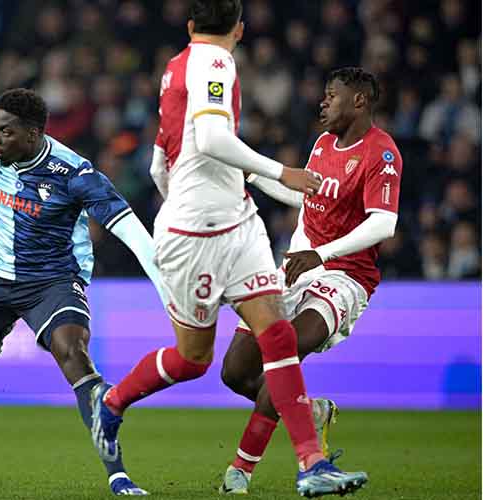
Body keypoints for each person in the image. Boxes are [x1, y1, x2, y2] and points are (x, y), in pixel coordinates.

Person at [89, 2, 368, 497]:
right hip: (200, 234)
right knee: (193, 359)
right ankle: (111, 403)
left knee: (277, 336)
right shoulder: (217, 61)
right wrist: (283, 173)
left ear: (190, 25)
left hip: (232, 225)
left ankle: (312, 464)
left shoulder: (174, 68)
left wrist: (187, 205)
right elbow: (215, 138)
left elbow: (158, 164)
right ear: (239, 28)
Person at [0, 88, 165, 496]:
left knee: (72, 353)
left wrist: (167, 285)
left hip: (52, 280)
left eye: (6, 132)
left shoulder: (75, 174)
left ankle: (118, 476)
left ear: (33, 134)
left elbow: (130, 230)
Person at [218, 66, 402, 494]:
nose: (323, 102)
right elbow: (305, 196)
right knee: (235, 372)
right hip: (296, 270)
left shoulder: (382, 153)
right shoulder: (322, 144)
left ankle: (241, 470)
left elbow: (384, 223)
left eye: (331, 95)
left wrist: (322, 253)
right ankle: (311, 411)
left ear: (358, 101)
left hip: (344, 277)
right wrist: (251, 174)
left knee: (284, 351)